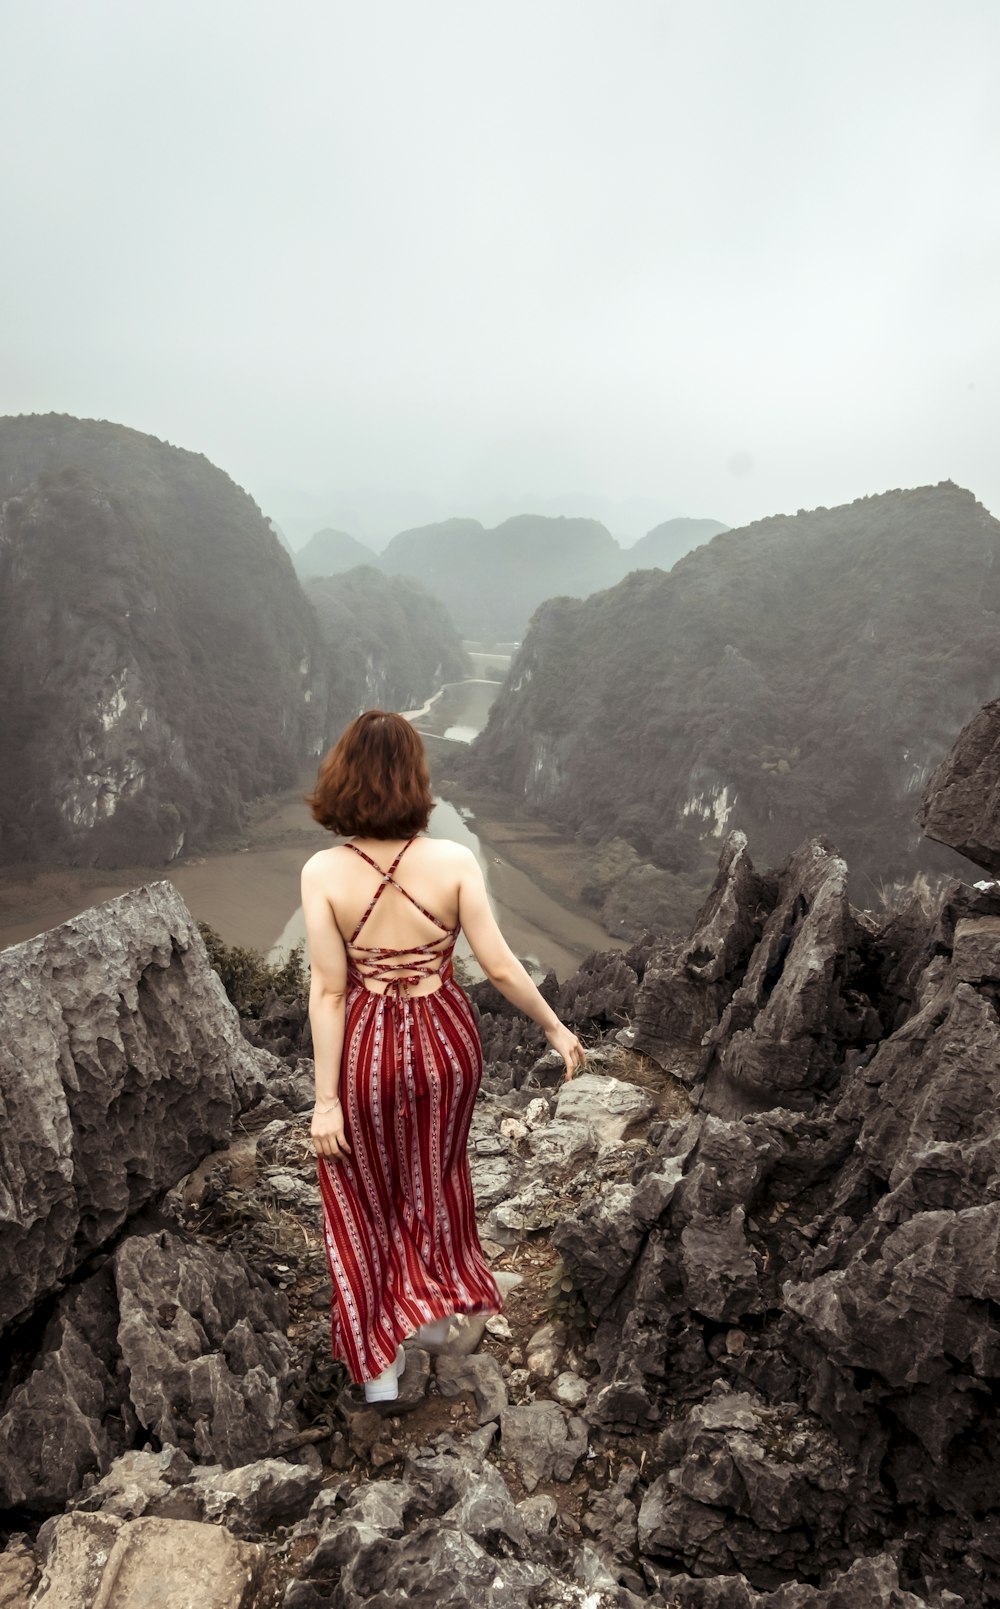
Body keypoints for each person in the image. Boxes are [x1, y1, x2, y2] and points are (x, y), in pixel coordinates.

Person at [300, 710, 586, 1404]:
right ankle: (435, 1315)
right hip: (444, 1042)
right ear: (414, 779)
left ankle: (378, 1370)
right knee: (436, 1178)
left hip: (367, 1044)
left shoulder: (323, 872)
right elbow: (500, 966)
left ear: (342, 778)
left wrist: (327, 1099)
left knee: (363, 1191)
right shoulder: (454, 861)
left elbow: (330, 991)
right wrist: (553, 1026)